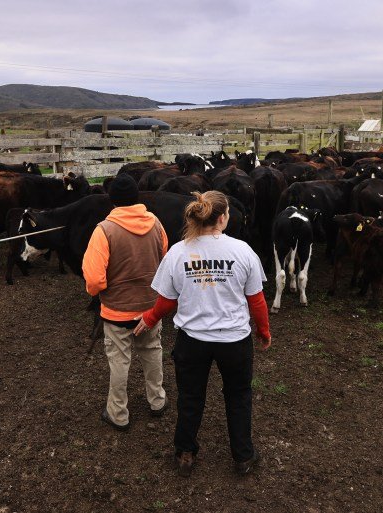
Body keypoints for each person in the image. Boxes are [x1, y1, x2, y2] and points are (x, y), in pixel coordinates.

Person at [136, 191, 271, 477]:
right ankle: (243, 456)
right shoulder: (243, 251)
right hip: (234, 340)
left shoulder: (178, 252)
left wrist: (149, 317)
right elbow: (256, 300)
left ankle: (185, 453)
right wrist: (263, 330)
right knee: (238, 395)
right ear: (222, 218)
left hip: (192, 341)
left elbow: (167, 301)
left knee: (190, 396)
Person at [82, 174, 169, 431]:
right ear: (137, 197)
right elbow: (164, 260)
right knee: (152, 351)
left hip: (117, 311)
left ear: (112, 200)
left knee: (119, 360)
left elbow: (94, 280)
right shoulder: (156, 224)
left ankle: (118, 413)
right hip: (150, 308)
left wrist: (99, 291)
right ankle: (157, 400)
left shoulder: (104, 230)